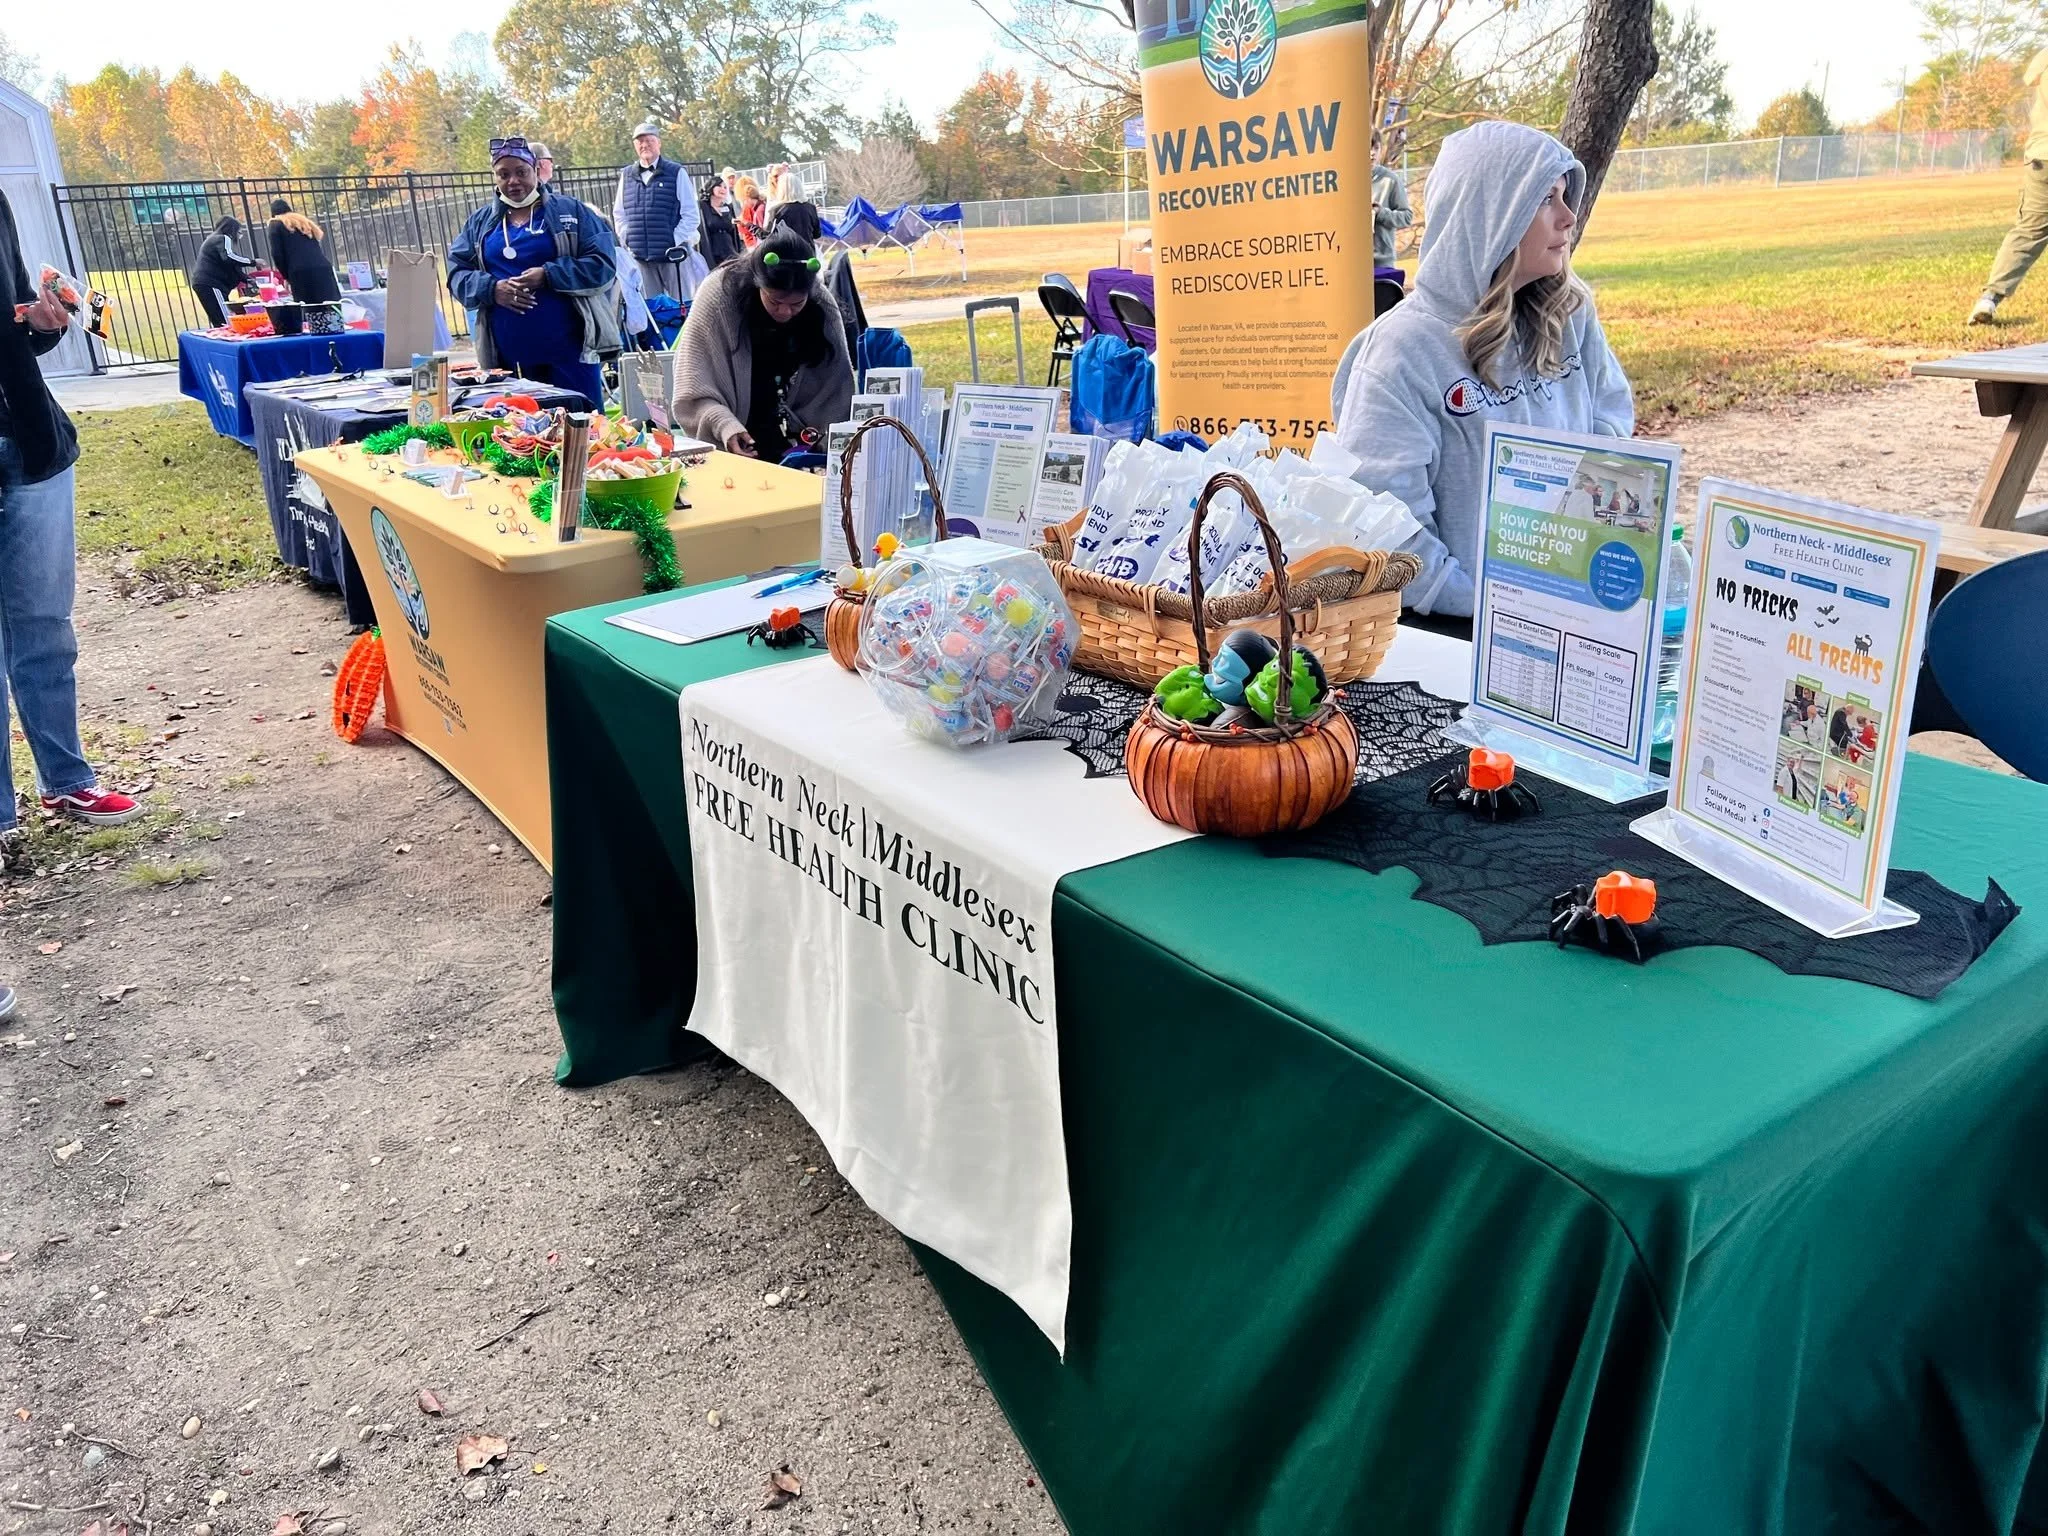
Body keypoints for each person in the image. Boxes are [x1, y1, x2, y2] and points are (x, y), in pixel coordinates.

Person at [1336, 120, 1634, 628]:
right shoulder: (1402, 353)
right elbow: (1386, 525)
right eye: (1545, 198)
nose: (1568, 217)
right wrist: (1491, 604)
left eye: (1567, 195)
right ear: (1490, 211)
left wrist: (1578, 551)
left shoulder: (1568, 311)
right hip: (1462, 629)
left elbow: (1611, 417)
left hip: (1575, 603)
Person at [1, 186, 145, 882]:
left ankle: (64, 777)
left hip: (29, 445)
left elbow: (19, 325)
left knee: (43, 628)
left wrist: (47, 320)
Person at [447, 137, 620, 409]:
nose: (513, 181)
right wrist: (492, 289)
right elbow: (457, 273)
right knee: (519, 434)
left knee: (582, 430)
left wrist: (548, 274)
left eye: (521, 172)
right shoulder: (481, 223)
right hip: (508, 359)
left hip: (570, 353)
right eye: (503, 174)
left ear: (537, 171)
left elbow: (603, 265)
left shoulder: (571, 211)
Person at [674, 227, 854, 461]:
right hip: (736, 439)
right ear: (758, 284)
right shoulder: (718, 296)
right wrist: (725, 426)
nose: (785, 311)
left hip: (797, 446)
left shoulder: (820, 303)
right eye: (775, 301)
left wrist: (820, 439)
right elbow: (692, 388)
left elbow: (836, 390)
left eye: (797, 304)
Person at [1971, 50, 2048, 323]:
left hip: (2042, 156)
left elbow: (2031, 79)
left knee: (2027, 233)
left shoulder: (2045, 56)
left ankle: (1989, 299)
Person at [612, 121, 701, 304]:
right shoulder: (627, 175)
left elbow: (691, 214)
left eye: (649, 140)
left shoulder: (676, 172)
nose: (644, 145)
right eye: (640, 141)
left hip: (673, 257)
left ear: (658, 143)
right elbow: (619, 213)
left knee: (681, 307)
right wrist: (628, 237)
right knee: (651, 311)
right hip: (641, 258)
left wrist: (673, 239)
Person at [263, 200, 341, 304]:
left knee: (308, 308)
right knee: (331, 306)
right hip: (323, 268)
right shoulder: (304, 222)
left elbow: (277, 254)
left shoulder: (275, 224)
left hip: (300, 272)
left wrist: (286, 276)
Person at [188, 216, 258, 326]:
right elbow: (229, 257)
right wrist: (252, 262)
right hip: (211, 283)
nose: (239, 236)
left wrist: (247, 279)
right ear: (232, 230)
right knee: (225, 320)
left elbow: (231, 266)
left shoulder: (214, 240)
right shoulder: (223, 238)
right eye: (239, 232)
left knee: (218, 317)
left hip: (204, 283)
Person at [1371, 129, 1412, 266]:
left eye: (1376, 148)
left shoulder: (1390, 180)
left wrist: (1381, 213)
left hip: (1382, 263)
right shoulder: (1344, 180)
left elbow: (1406, 217)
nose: (1372, 153)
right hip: (1351, 263)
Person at [700, 177, 745, 271]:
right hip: (712, 253)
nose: (723, 189)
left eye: (725, 187)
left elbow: (734, 232)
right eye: (719, 186)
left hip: (730, 252)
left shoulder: (728, 207)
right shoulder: (702, 207)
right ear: (711, 187)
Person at [733, 176, 768, 248]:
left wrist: (742, 223)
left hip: (753, 242)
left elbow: (746, 230)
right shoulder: (762, 204)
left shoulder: (750, 208)